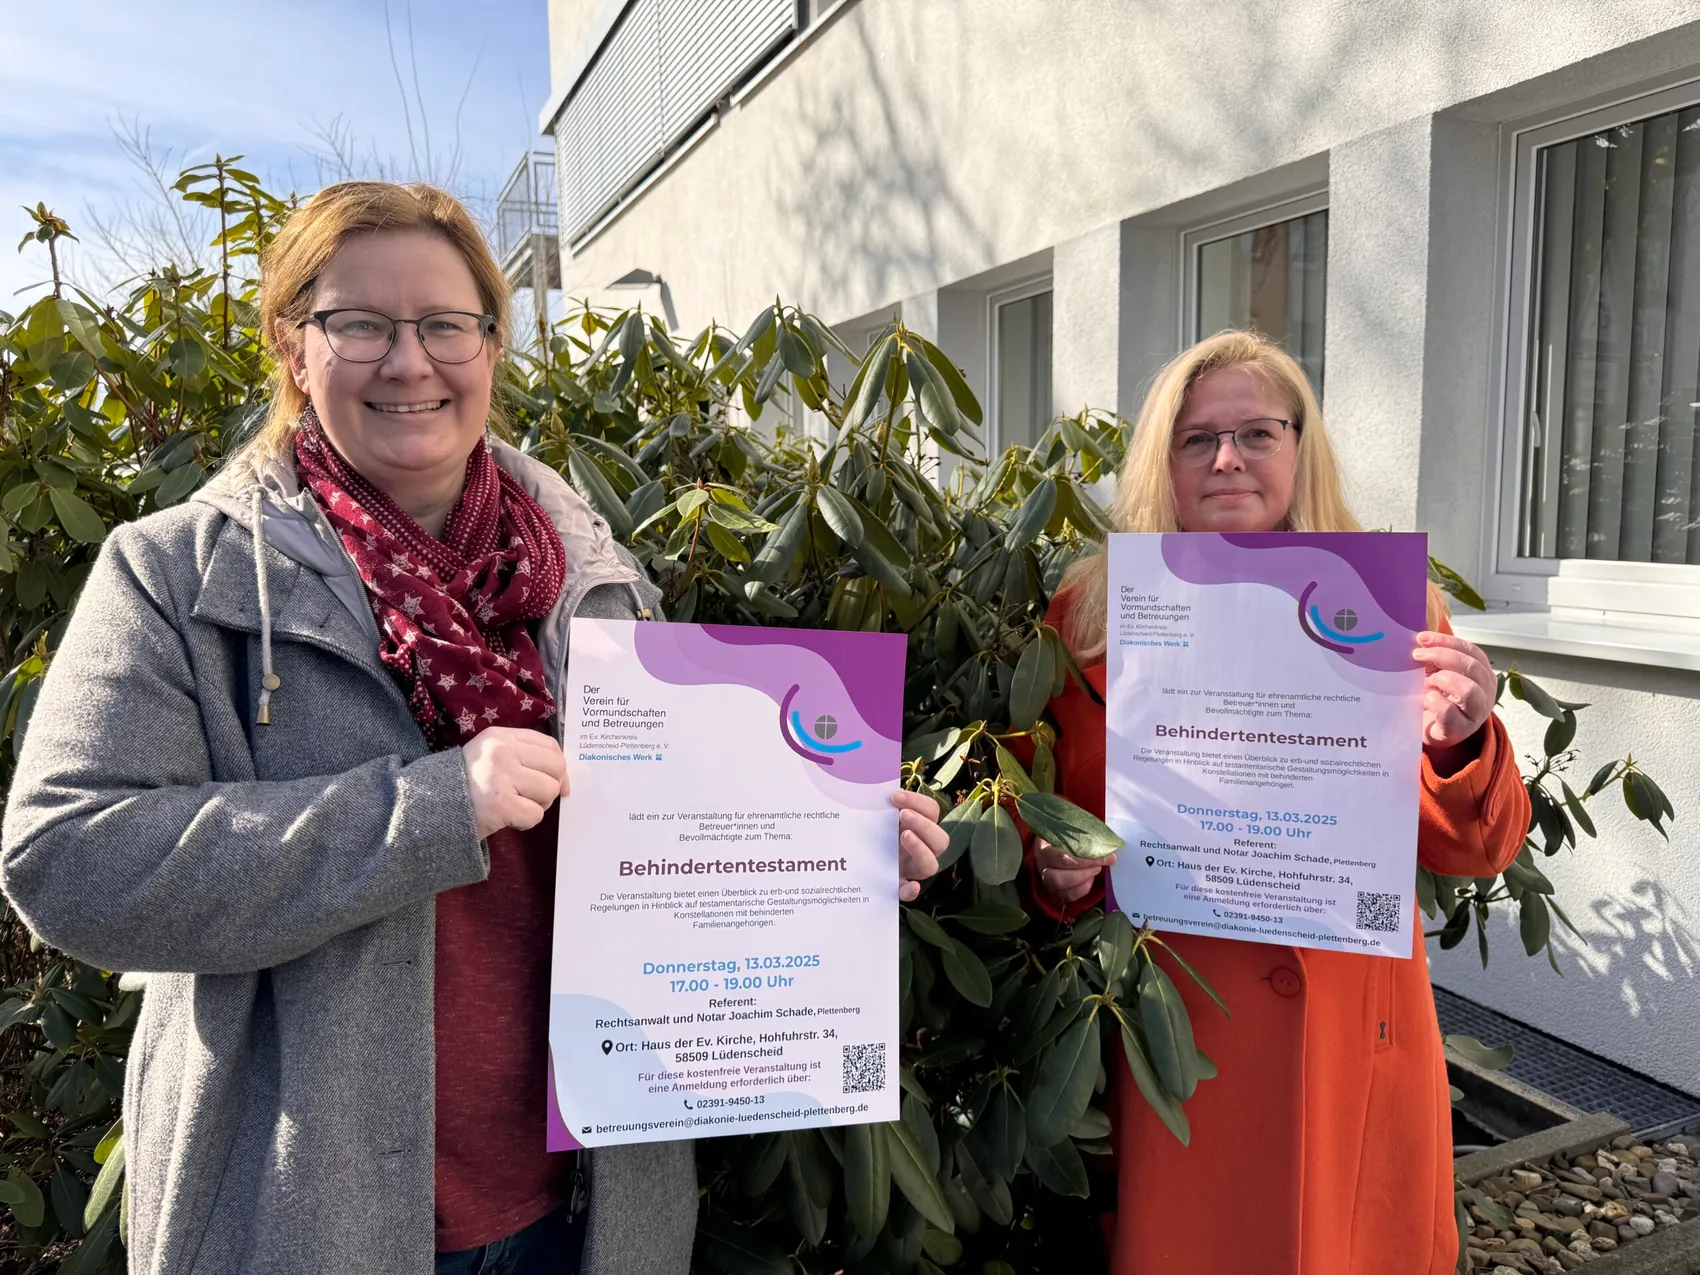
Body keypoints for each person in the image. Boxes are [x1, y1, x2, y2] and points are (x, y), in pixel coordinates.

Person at [0, 181, 950, 1275]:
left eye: (446, 324)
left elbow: (668, 846)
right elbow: (66, 859)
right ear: (291, 347)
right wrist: (426, 809)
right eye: (359, 324)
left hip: (583, 1208)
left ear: (491, 346)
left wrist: (827, 845)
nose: (410, 362)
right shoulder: (178, 573)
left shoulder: (590, 573)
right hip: (304, 1219)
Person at [1030, 330, 1529, 1274]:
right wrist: (1054, 872)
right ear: (1161, 462)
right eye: (1196, 438)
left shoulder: (1399, 613)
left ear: (1300, 447)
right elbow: (1034, 824)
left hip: (1351, 1039)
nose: (1227, 458)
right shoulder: (1084, 622)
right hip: (1179, 1037)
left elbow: (1478, 848)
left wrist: (1462, 736)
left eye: (1257, 431)